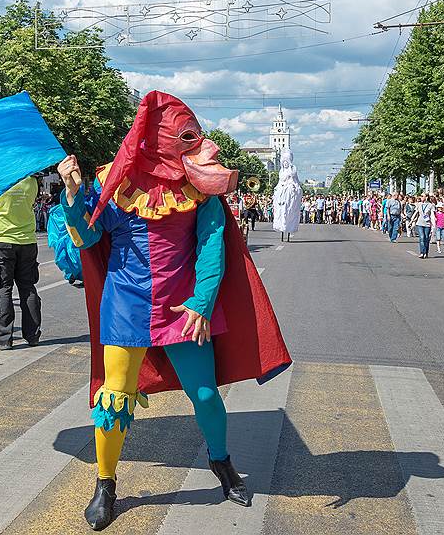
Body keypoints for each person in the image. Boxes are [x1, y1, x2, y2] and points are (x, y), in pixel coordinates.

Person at [57, 91, 290, 531]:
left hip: (183, 307)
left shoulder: (199, 188)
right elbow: (86, 241)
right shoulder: (117, 181)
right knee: (113, 398)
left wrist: (202, 302)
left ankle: (221, 463)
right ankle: (105, 483)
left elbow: (211, 246)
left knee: (204, 395)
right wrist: (72, 195)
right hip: (125, 306)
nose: (204, 146)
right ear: (160, 139)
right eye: (187, 137)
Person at [0, 175, 42, 350]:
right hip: (27, 240)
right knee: (28, 288)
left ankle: (3, 338)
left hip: (0, 240)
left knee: (2, 289)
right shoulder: (31, 182)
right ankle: (32, 335)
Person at [271, 148, 301, 241]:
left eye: (286, 162)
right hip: (281, 193)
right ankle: (282, 228)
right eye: (283, 162)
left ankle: (288, 229)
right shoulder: (281, 171)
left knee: (288, 210)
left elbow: (295, 182)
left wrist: (294, 188)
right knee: (281, 211)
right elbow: (279, 182)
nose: (285, 164)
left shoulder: (292, 170)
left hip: (289, 193)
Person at [410, 193, 435, 259]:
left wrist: (433, 225)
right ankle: (422, 252)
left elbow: (432, 215)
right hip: (420, 223)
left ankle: (426, 252)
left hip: (427, 224)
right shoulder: (419, 204)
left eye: (422, 196)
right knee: (422, 237)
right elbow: (416, 213)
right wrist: (411, 221)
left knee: (426, 238)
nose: (421, 197)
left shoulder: (431, 205)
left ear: (426, 197)